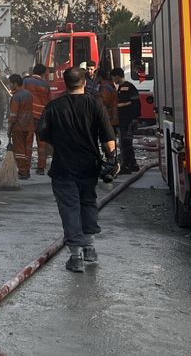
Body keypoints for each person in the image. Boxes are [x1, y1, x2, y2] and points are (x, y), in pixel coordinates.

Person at [37, 67, 117, 273]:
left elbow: (43, 134)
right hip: (90, 166)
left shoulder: (54, 107)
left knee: (69, 207)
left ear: (65, 83)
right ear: (84, 82)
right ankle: (89, 248)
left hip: (63, 166)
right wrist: (112, 160)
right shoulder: (95, 104)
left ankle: (76, 256)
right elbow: (108, 138)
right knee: (88, 202)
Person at [21, 65, 53, 174]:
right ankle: (41, 168)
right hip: (42, 117)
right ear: (43, 73)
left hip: (28, 116)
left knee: (27, 143)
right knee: (42, 144)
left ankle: (26, 168)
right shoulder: (46, 85)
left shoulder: (26, 82)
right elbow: (49, 102)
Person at [113, 67, 142, 173]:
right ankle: (133, 164)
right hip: (126, 120)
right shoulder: (122, 87)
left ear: (117, 76)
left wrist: (118, 106)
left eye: (114, 78)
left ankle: (126, 166)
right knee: (127, 143)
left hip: (128, 120)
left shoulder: (127, 87)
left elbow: (132, 102)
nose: (113, 80)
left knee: (125, 143)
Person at [7, 74, 36, 179]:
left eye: (10, 83)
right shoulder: (29, 94)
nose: (9, 85)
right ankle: (27, 170)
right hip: (29, 126)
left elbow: (13, 115)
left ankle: (22, 172)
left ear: (15, 83)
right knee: (27, 150)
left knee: (19, 151)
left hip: (18, 127)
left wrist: (9, 128)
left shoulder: (16, 97)